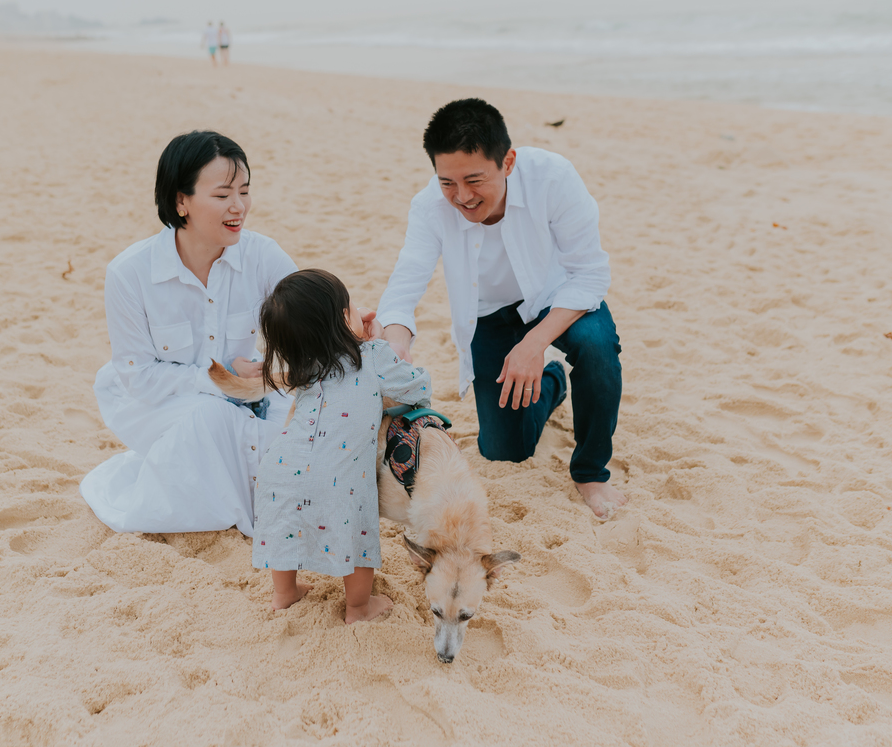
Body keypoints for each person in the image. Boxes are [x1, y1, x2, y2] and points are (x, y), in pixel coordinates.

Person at [372, 99, 627, 520]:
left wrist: (534, 342)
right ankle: (552, 383)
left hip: (557, 297)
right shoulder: (429, 207)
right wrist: (395, 343)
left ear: (507, 161)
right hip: (487, 315)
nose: (463, 197)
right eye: (447, 183)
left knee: (597, 346)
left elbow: (591, 276)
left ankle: (590, 471)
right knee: (505, 450)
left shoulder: (554, 177)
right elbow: (404, 287)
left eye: (474, 180)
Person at [79, 131, 297, 537]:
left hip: (241, 393)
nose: (238, 207)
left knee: (296, 424)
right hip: (152, 400)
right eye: (222, 195)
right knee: (211, 418)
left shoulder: (262, 254)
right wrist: (221, 381)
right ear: (181, 201)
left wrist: (351, 325)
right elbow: (138, 377)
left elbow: (309, 313)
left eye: (244, 191)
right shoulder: (130, 273)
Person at [252, 269, 432, 623]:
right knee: (358, 534)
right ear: (341, 322)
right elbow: (418, 387)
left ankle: (285, 594)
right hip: (338, 476)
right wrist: (376, 340)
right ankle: (358, 608)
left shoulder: (303, 363)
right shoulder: (372, 356)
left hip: (280, 468)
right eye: (351, 309)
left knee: (283, 527)